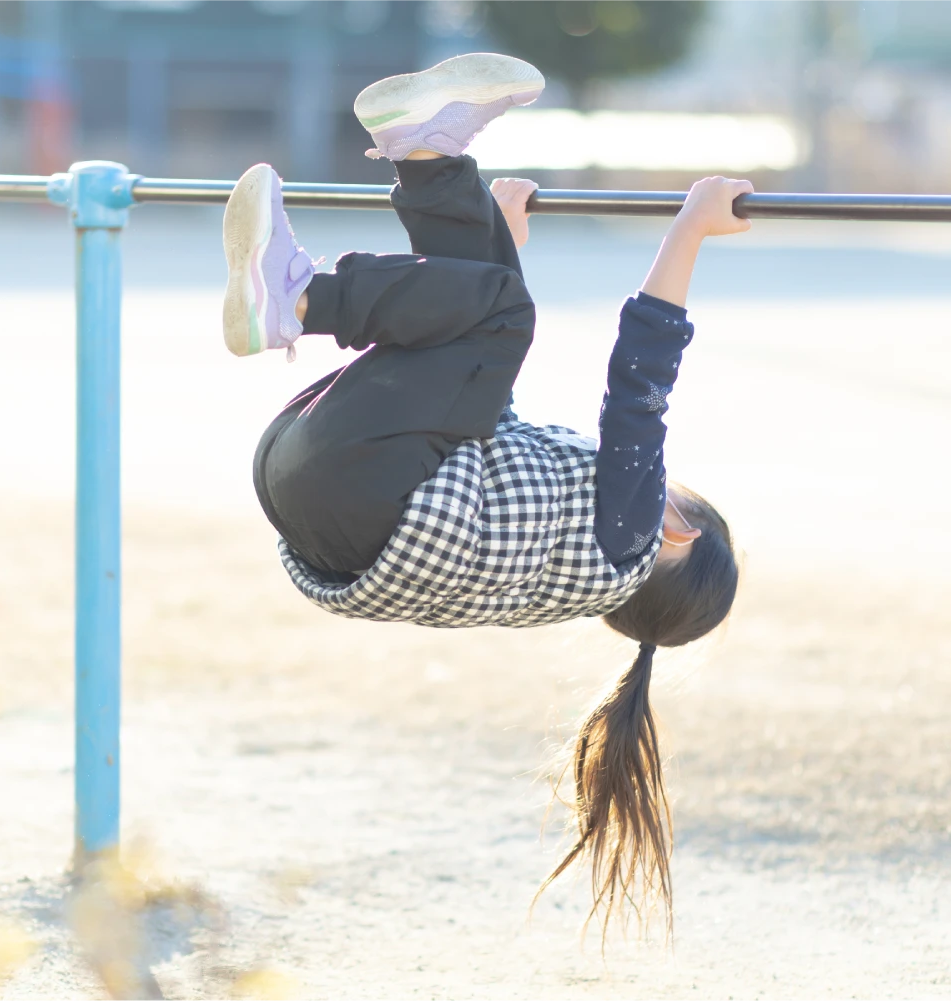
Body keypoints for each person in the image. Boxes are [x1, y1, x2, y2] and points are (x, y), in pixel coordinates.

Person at [221, 52, 747, 934]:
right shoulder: (560, 560)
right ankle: (426, 155)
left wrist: (689, 226)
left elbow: (640, 377)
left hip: (365, 485)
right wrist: (493, 246)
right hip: (311, 490)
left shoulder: (625, 531)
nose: (661, 481)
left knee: (503, 313)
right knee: (492, 305)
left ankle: (298, 299)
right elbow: (471, 401)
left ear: (678, 533)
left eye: (676, 492)